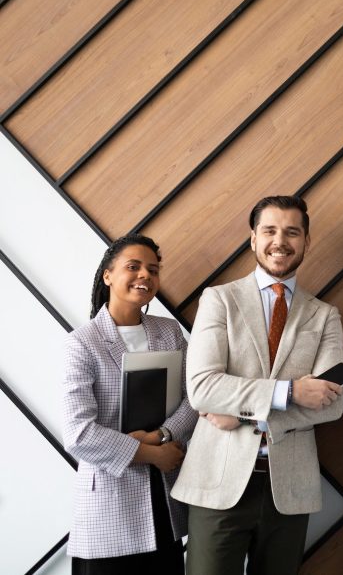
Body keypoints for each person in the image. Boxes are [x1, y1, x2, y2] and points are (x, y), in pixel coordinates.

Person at [171, 195, 343, 575]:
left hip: (289, 489)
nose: (279, 241)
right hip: (218, 483)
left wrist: (244, 415)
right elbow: (202, 386)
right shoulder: (219, 300)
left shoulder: (326, 315)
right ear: (253, 238)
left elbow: (331, 402)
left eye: (291, 232)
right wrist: (291, 392)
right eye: (269, 230)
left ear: (306, 241)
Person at [63, 234, 198, 574]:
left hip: (164, 494)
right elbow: (79, 433)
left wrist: (162, 436)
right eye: (133, 267)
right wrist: (152, 453)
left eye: (153, 270)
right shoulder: (82, 343)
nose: (145, 276)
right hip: (109, 499)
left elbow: (194, 399)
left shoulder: (169, 332)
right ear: (107, 275)